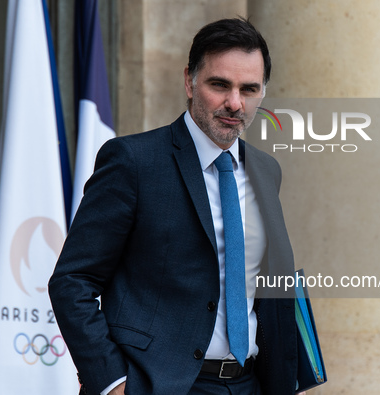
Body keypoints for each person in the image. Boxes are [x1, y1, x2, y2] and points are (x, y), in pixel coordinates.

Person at [49, 17, 301, 395]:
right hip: (157, 384)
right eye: (220, 85)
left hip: (250, 384)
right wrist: (113, 382)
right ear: (189, 80)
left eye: (249, 89)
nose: (234, 103)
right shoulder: (132, 161)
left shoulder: (267, 171)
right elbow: (72, 281)